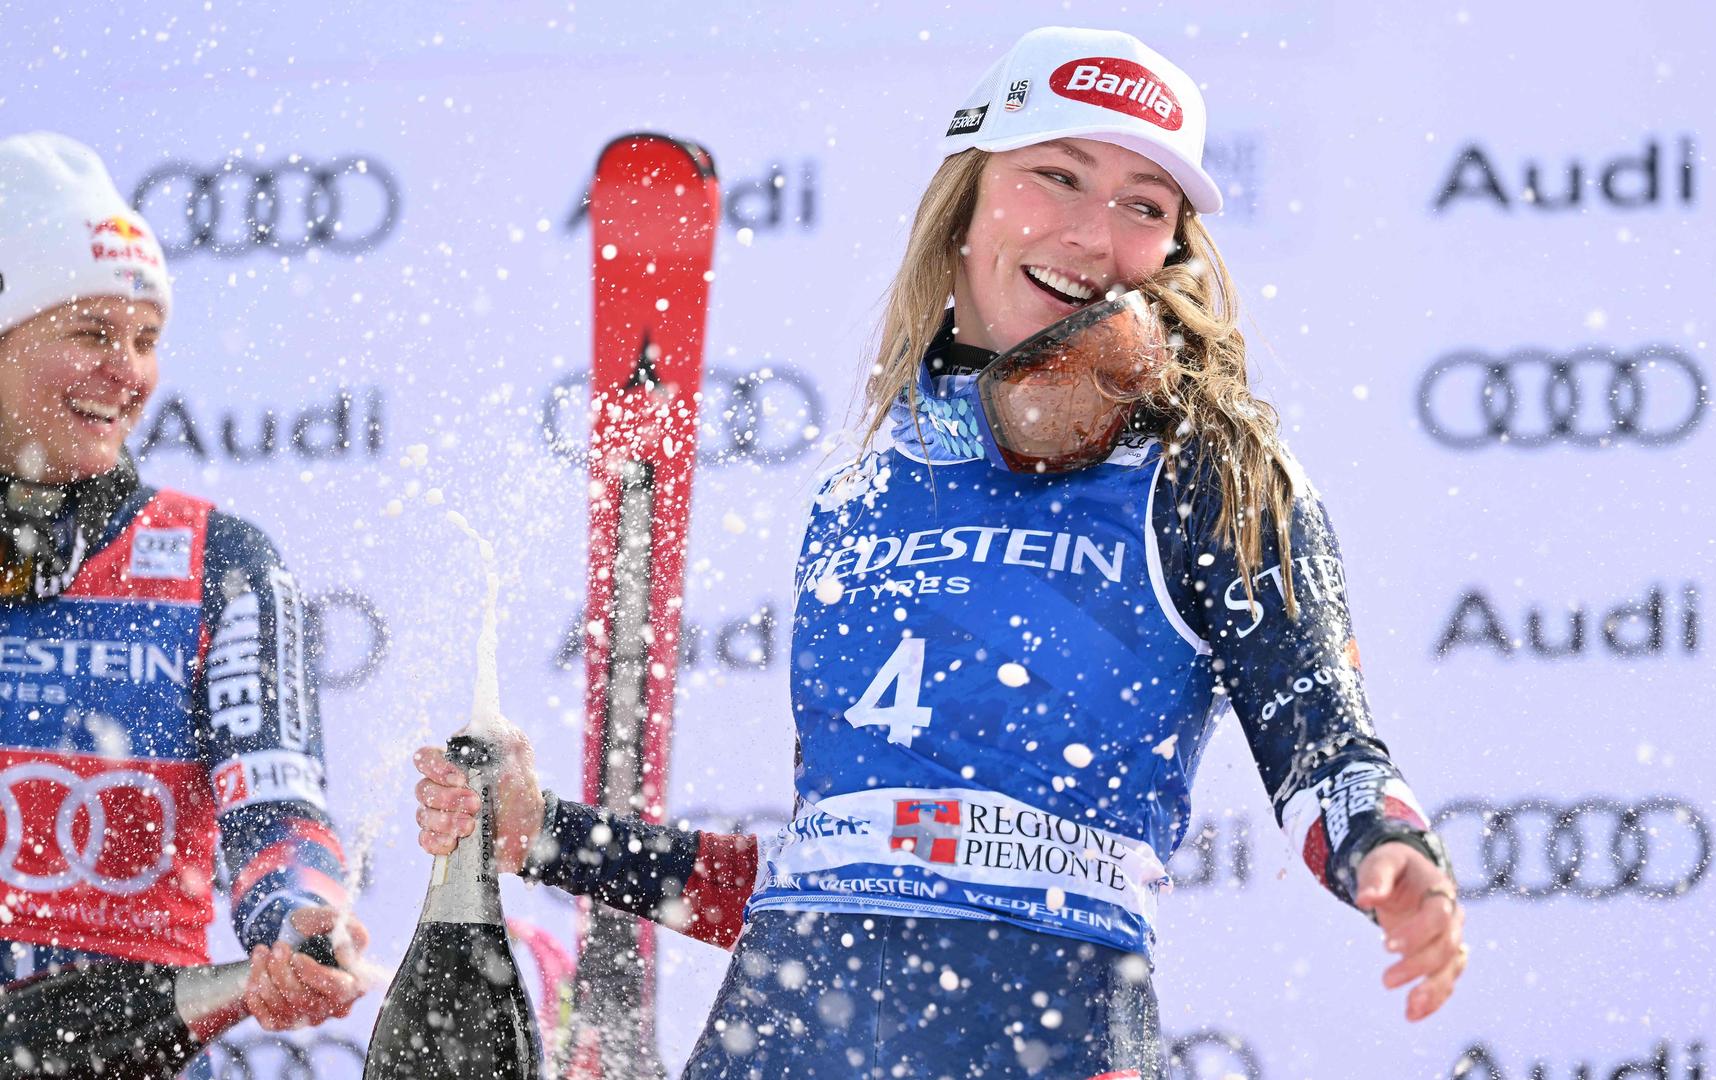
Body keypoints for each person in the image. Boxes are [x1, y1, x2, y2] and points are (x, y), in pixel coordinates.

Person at [414, 26, 1466, 1078]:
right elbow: (829, 870)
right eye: (1056, 175)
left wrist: (1393, 854)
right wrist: (550, 834)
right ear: (965, 203)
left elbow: (1328, 751)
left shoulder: (1212, 479)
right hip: (780, 1046)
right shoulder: (860, 491)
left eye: (1144, 205)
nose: (1095, 236)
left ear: (1173, 250)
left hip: (1046, 1040)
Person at [0, 132, 368, 1071]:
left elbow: (276, 809)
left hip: (131, 1043)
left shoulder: (218, 563)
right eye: (90, 333)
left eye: (145, 340)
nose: (128, 374)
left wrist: (297, 919)